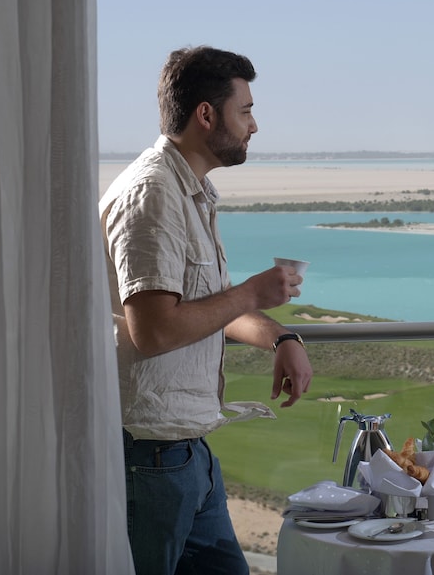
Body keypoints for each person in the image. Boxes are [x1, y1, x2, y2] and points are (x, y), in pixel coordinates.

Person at [99, 46, 314, 575]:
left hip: (187, 453)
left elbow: (207, 308)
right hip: (150, 457)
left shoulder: (189, 192)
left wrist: (281, 338)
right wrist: (251, 293)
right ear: (206, 114)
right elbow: (153, 330)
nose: (254, 125)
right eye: (246, 111)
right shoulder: (153, 195)